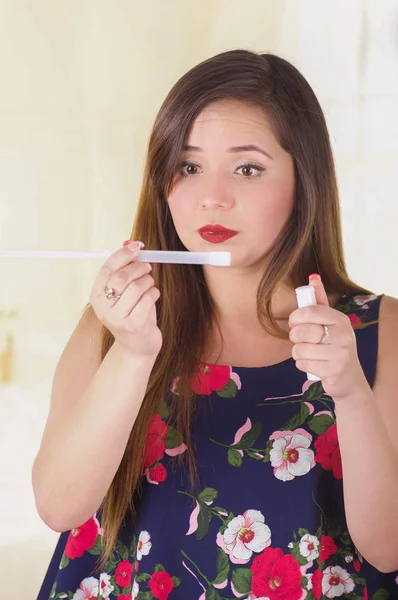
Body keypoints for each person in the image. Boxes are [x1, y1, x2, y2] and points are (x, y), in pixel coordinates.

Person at [34, 49, 398, 600]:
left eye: (247, 168)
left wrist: (350, 394)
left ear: (306, 178)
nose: (212, 197)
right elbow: (60, 507)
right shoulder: (114, 324)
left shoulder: (381, 331)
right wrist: (133, 356)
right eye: (188, 166)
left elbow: (389, 548)